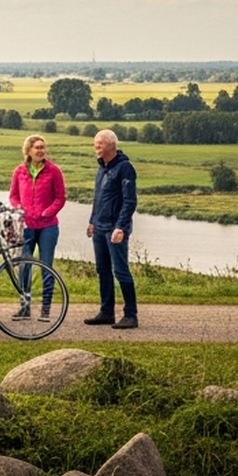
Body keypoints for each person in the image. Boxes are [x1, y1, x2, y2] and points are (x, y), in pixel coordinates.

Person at [7, 134, 65, 321]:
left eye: (42, 147)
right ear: (28, 151)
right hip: (26, 226)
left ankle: (45, 309)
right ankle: (25, 308)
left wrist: (47, 212)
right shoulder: (19, 171)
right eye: (37, 148)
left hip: (48, 226)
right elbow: (13, 195)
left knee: (46, 266)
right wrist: (17, 207)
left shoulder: (54, 171)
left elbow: (60, 198)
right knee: (24, 266)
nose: (40, 151)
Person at [85, 129, 139, 329]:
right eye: (95, 143)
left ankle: (131, 315)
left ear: (112, 145)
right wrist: (92, 221)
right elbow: (98, 198)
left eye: (100, 143)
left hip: (115, 229)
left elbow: (130, 201)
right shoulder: (102, 168)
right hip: (99, 227)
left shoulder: (125, 168)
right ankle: (107, 312)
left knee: (121, 271)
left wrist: (121, 227)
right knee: (103, 270)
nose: (96, 146)